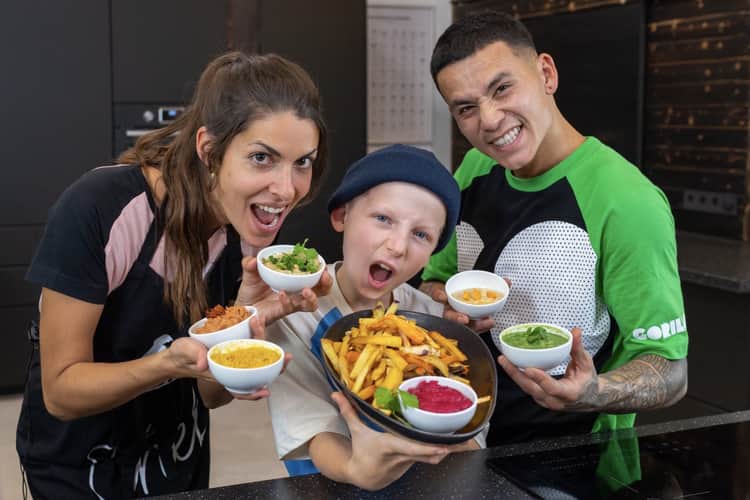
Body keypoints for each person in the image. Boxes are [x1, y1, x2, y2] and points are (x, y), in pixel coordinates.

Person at [16, 51, 332, 499]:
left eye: (303, 162)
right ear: (209, 150)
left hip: (176, 457)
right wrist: (166, 365)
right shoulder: (101, 209)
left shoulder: (248, 228)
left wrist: (241, 323)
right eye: (262, 158)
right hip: (80, 467)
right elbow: (61, 393)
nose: (286, 189)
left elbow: (209, 397)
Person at [419, 11, 689, 446]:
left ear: (546, 73)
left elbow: (670, 371)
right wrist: (446, 307)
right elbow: (435, 280)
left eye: (502, 89)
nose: (489, 120)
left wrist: (593, 392)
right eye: (466, 108)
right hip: (461, 439)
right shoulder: (473, 168)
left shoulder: (628, 201)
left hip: (574, 454)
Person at [265, 144, 482, 491]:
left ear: (432, 253)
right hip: (322, 487)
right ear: (342, 216)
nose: (398, 246)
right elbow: (310, 430)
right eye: (383, 219)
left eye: (421, 235)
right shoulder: (295, 312)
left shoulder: (431, 322)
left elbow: (464, 428)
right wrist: (355, 469)